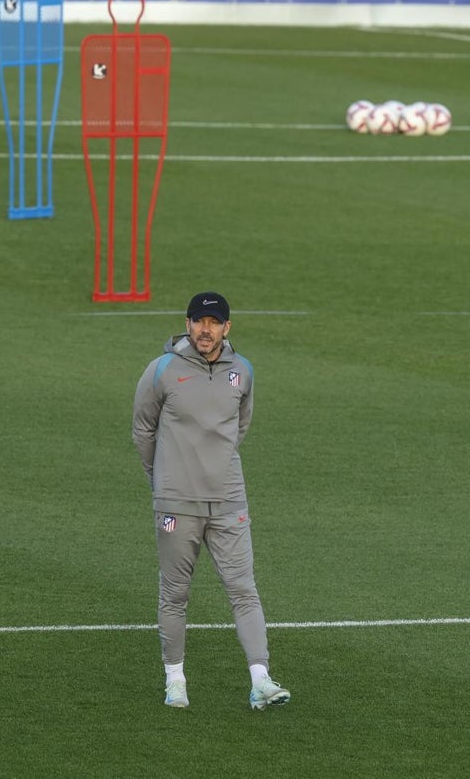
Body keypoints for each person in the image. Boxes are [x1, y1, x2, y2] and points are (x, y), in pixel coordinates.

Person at [131, 291, 291, 710]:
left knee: (244, 589)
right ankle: (175, 680)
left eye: (214, 322)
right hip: (176, 503)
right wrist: (162, 480)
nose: (206, 329)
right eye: (199, 322)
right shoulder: (161, 370)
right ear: (187, 324)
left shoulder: (243, 371)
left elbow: (239, 427)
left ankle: (261, 679)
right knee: (175, 594)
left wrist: (214, 468)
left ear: (226, 328)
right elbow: (142, 431)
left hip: (228, 501)